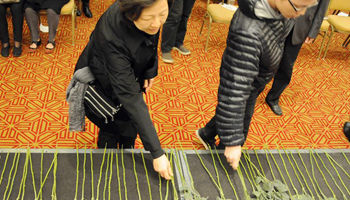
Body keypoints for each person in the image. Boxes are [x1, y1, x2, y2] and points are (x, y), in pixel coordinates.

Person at [196, 0, 318, 170]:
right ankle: (223, 156)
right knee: (241, 127)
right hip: (248, 82)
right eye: (299, 7)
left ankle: (206, 133)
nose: (302, 13)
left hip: (258, 76)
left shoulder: (281, 10)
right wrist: (232, 142)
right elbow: (234, 89)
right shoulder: (248, 32)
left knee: (241, 112)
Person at [68, 0, 173, 180]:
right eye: (149, 17)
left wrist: (149, 70)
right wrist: (157, 153)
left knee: (130, 126)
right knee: (112, 125)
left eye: (163, 14)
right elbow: (130, 97)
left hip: (128, 76)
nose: (157, 23)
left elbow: (151, 39)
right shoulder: (111, 35)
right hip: (102, 83)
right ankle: (108, 162)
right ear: (132, 14)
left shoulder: (152, 11)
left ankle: (127, 150)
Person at [265, 0, 329, 115]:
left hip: (302, 25)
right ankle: (251, 91)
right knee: (265, 57)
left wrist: (313, 32)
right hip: (279, 17)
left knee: (286, 65)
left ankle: (273, 98)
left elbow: (322, 8)